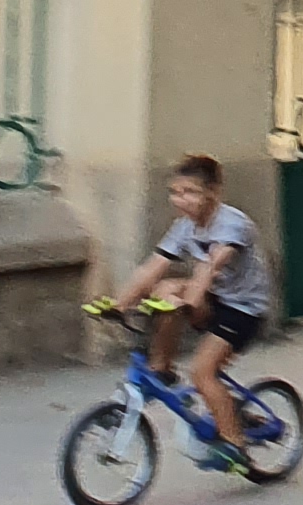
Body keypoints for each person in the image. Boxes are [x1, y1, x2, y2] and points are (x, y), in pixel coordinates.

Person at [111, 155, 268, 467]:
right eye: (175, 192)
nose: (180, 200)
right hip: (214, 300)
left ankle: (235, 445)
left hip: (244, 311)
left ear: (213, 193)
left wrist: (191, 301)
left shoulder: (232, 224)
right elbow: (153, 266)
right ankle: (162, 369)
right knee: (165, 289)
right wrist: (120, 304)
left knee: (201, 373)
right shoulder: (184, 227)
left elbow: (211, 265)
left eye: (190, 192)